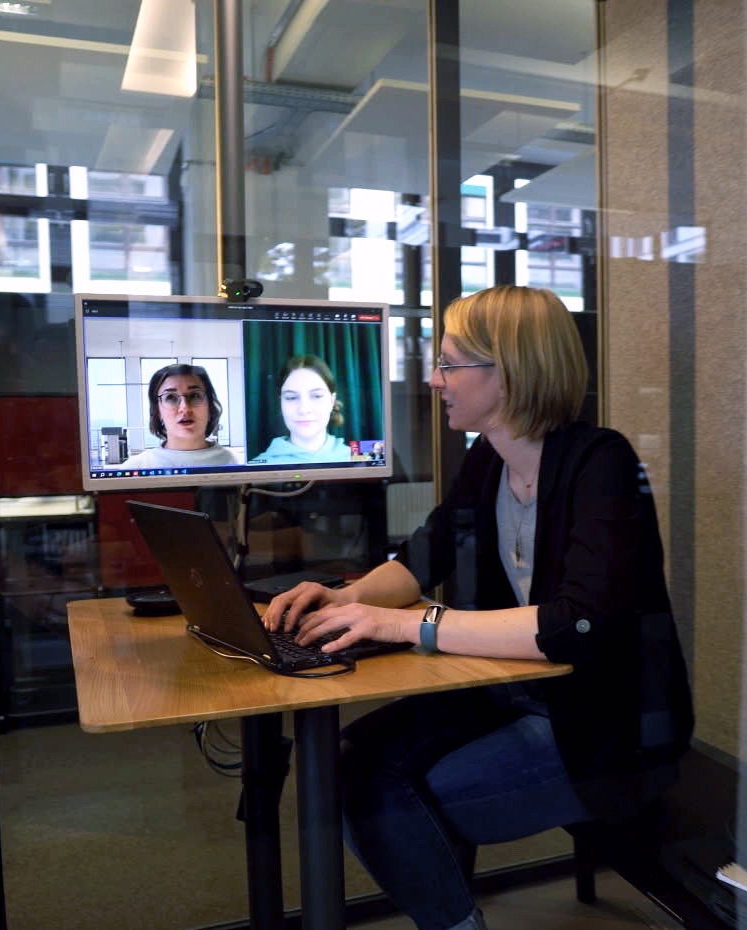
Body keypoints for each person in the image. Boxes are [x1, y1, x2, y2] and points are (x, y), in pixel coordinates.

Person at [263, 285, 694, 930]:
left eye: (450, 363)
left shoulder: (601, 462)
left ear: (511, 371)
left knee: (379, 798)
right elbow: (421, 560)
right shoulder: (487, 460)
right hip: (513, 694)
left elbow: (574, 624)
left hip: (605, 729)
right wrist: (347, 599)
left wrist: (410, 625)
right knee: (347, 763)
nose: (435, 380)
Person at [120, 364, 239, 469]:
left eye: (195, 396)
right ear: (157, 411)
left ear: (210, 405)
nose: (185, 408)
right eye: (171, 397)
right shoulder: (135, 468)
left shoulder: (237, 463)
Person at [248, 354, 354, 464]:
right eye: (291, 397)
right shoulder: (253, 471)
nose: (303, 409)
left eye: (316, 396)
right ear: (281, 402)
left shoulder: (362, 463)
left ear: (332, 401)